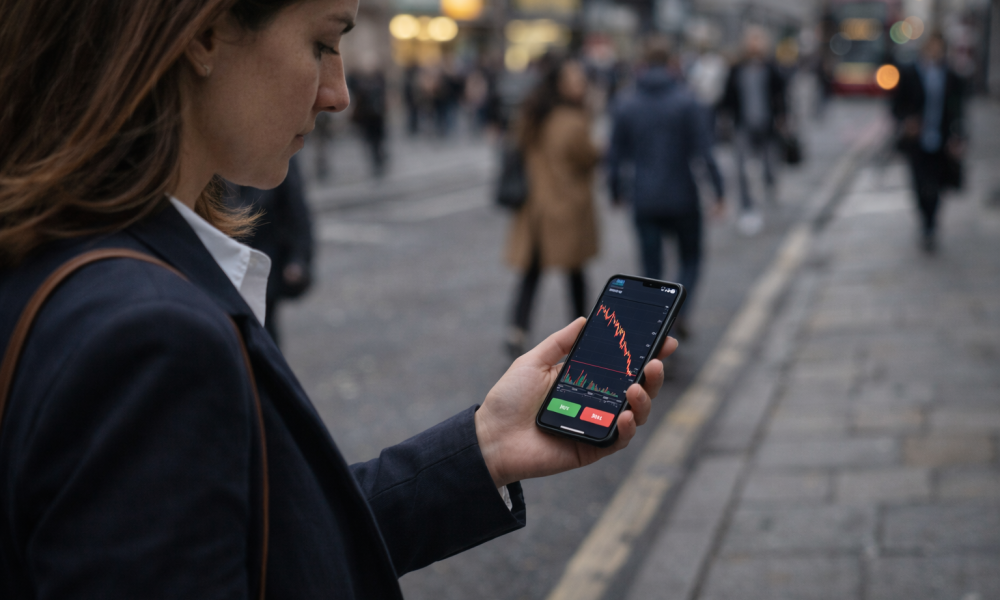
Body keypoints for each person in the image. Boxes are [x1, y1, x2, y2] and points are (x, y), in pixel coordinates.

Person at [0, 1, 679, 597]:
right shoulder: (149, 341)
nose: (339, 93)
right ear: (203, 33)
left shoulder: (56, 252)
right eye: (323, 43)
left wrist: (483, 448)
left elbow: (277, 546)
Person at [607, 40, 725, 340]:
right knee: (691, 259)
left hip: (644, 197)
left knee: (651, 272)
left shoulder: (626, 101)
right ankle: (678, 314)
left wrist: (615, 190)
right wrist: (719, 191)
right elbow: (704, 151)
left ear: (642, 65)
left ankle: (658, 327)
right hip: (682, 196)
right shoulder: (687, 100)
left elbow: (614, 154)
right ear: (671, 64)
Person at [505, 57, 601, 357]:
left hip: (535, 207)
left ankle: (516, 330)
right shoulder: (573, 121)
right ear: (561, 85)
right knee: (575, 272)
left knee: (531, 273)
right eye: (576, 79)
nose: (582, 83)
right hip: (566, 207)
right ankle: (583, 330)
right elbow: (589, 157)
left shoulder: (533, 115)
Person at [225, 156, 314, 346]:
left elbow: (295, 208)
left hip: (263, 259)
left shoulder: (276, 151)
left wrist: (298, 258)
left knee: (263, 331)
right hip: (228, 263)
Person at [891, 32, 966, 253]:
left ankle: (931, 225)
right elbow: (896, 106)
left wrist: (958, 137)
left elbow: (959, 111)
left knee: (937, 187)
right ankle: (925, 221)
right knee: (920, 186)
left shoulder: (952, 76)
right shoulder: (910, 73)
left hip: (941, 141)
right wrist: (907, 122)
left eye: (939, 47)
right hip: (917, 142)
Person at [718, 26, 787, 236]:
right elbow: (727, 98)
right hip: (743, 125)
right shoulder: (736, 69)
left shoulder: (771, 68)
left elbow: (781, 95)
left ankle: (769, 193)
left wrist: (783, 118)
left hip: (767, 126)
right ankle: (746, 208)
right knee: (741, 170)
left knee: (769, 166)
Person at [347, 62, 388, 177]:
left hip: (373, 120)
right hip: (373, 119)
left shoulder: (365, 86)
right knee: (375, 142)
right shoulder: (374, 86)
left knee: (373, 142)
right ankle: (378, 159)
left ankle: (377, 159)